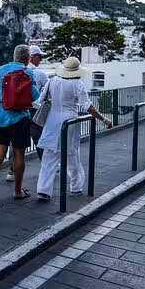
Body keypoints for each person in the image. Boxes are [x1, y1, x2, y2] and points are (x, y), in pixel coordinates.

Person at [35, 57, 112, 201]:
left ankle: (43, 190)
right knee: (72, 153)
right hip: (70, 120)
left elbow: (40, 101)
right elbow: (88, 107)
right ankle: (76, 186)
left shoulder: (52, 81)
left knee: (49, 155)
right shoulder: (78, 84)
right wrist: (104, 119)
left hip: (52, 121)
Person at [0, 44, 40, 204]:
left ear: (14, 56)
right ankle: (17, 191)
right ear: (27, 59)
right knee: (19, 155)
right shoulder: (28, 72)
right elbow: (34, 96)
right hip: (19, 119)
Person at [5, 45, 49, 182]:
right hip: (34, 109)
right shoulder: (39, 73)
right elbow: (45, 92)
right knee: (39, 139)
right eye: (39, 57)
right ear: (32, 57)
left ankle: (11, 171)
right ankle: (46, 166)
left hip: (17, 110)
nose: (40, 60)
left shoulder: (13, 69)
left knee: (16, 142)